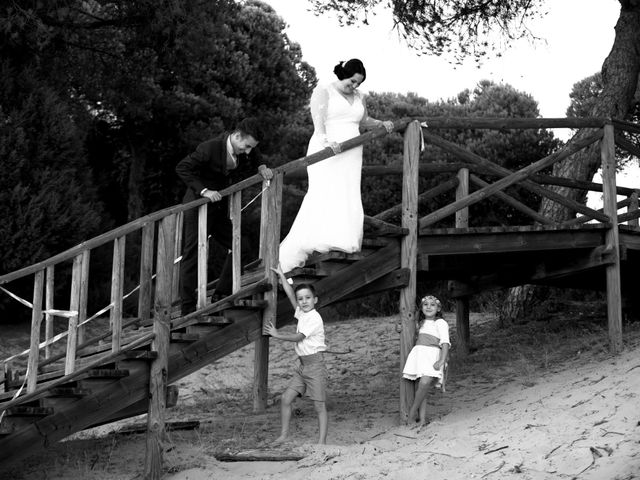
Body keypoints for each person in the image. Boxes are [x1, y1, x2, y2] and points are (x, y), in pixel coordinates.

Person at [278, 58, 394, 273]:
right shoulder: (323, 90)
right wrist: (326, 142)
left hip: (352, 152)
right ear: (343, 75)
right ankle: (315, 240)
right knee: (324, 192)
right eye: (352, 81)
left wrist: (381, 123)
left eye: (358, 83)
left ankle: (342, 238)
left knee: (346, 191)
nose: (354, 86)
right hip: (329, 148)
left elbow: (362, 121)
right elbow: (318, 121)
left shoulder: (359, 96)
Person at [176, 118, 273, 315]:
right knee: (193, 254)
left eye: (251, 148)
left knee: (241, 247)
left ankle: (221, 294)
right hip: (197, 205)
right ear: (237, 136)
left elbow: (255, 152)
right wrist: (204, 190)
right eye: (246, 146)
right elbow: (182, 168)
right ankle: (187, 308)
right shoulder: (209, 148)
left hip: (219, 208)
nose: (247, 152)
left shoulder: (246, 146)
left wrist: (261, 166)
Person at [266, 264, 328, 445]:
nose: (303, 301)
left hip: (315, 366)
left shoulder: (314, 318)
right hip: (302, 367)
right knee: (286, 399)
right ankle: (284, 435)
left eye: (308, 298)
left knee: (319, 406)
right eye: (301, 299)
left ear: (315, 300)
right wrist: (282, 278)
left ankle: (321, 444)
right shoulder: (302, 313)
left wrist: (277, 335)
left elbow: (298, 337)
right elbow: (291, 295)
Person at [402, 295, 450, 429]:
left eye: (432, 304)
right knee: (421, 387)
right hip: (419, 355)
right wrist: (399, 328)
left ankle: (412, 414)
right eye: (426, 304)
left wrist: (442, 360)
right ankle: (422, 419)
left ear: (438, 308)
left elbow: (445, 342)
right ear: (421, 308)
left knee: (425, 383)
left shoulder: (440, 323)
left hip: (432, 355)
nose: (429, 307)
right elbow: (405, 328)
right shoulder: (420, 323)